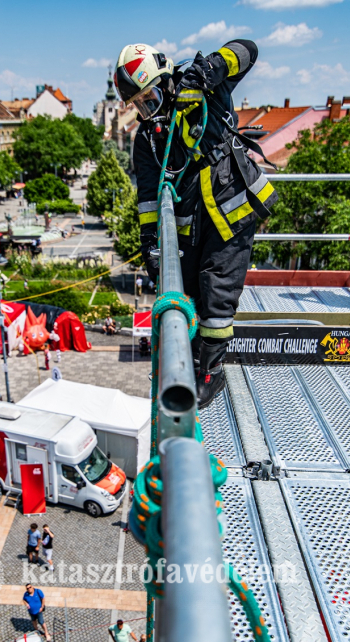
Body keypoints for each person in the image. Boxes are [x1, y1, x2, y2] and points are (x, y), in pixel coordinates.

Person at [114, 40, 278, 408]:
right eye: (139, 105)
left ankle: (211, 372)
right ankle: (190, 359)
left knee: (217, 293)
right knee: (190, 293)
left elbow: (248, 50)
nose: (148, 111)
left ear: (165, 81)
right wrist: (149, 242)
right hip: (191, 224)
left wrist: (211, 70)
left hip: (233, 216)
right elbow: (148, 197)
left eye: (150, 99)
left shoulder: (205, 90)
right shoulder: (147, 139)